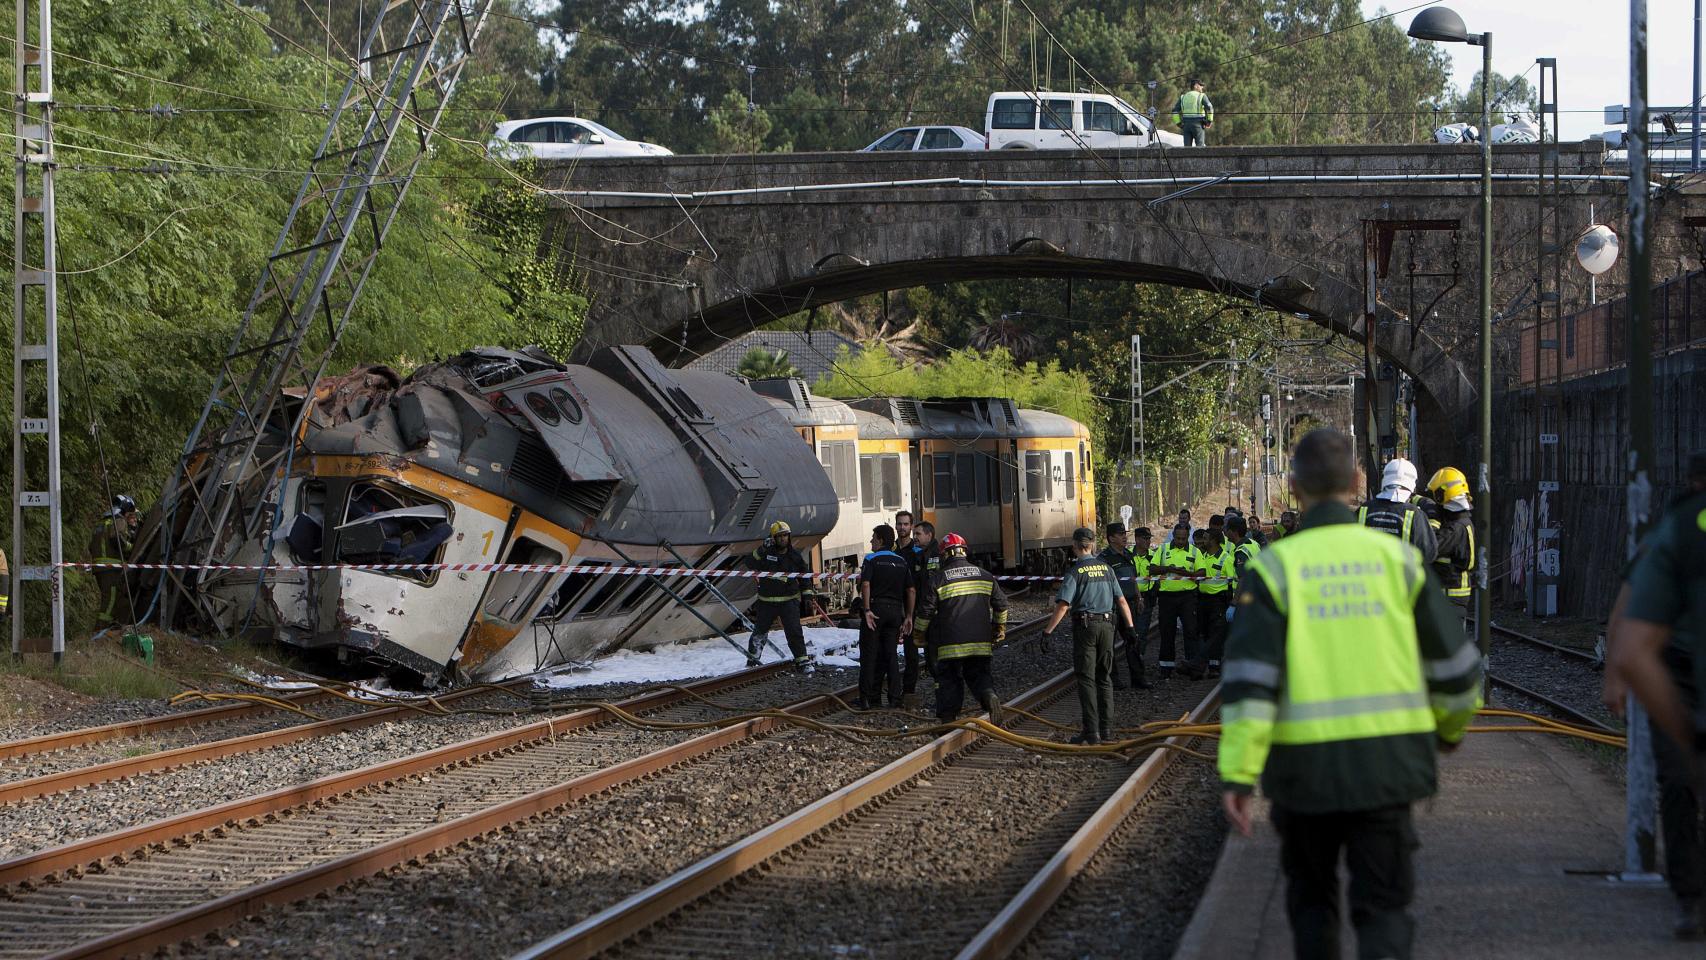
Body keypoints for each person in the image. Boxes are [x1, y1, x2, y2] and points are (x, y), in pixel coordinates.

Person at [1220, 428, 1481, 960]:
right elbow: (1457, 671)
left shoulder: (1274, 570)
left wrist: (1239, 773)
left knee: (1313, 906)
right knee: (1383, 909)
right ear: (1358, 482)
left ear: (1293, 489)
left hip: (1303, 774)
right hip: (1388, 767)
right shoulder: (1401, 565)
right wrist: (1449, 732)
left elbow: (1249, 685)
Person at [1605, 452, 1706, 938]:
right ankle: (1690, 897)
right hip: (1678, 674)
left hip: (1674, 675)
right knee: (1680, 784)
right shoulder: (1673, 534)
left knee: (1681, 786)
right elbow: (1629, 602)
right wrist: (1617, 673)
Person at [1041, 527, 1137, 744]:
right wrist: (1130, 629)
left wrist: (1048, 632)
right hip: (1108, 626)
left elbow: (1063, 605)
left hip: (1086, 628)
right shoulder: (1107, 569)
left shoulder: (1076, 572)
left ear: (1075, 546)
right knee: (1105, 678)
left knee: (1086, 679)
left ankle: (1091, 731)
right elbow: (1121, 601)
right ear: (1092, 545)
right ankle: (1107, 731)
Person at [913, 533, 1009, 724]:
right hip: (980, 643)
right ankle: (989, 696)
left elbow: (925, 612)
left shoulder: (938, 579)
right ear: (964, 552)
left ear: (945, 555)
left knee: (949, 680)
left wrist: (918, 635)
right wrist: (998, 627)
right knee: (979, 676)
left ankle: (948, 718)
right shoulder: (985, 575)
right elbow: (1002, 604)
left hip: (950, 645)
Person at [745, 520, 820, 670]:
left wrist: (807, 597)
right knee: (759, 634)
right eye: (779, 536)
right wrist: (760, 550)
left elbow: (805, 576)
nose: (782, 539)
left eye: (785, 535)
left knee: (794, 632)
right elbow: (749, 563)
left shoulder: (795, 556)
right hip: (766, 602)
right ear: (772, 538)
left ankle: (802, 661)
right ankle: (752, 664)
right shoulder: (765, 554)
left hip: (789, 602)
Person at [857, 524, 913, 709]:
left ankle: (867, 698)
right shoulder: (901, 561)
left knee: (869, 655)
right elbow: (911, 590)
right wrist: (909, 616)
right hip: (895, 611)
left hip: (875, 610)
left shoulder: (871, 559)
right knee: (890, 655)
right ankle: (895, 698)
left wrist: (866, 610)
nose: (871, 541)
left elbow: (865, 584)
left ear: (881, 540)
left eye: (873, 538)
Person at [1099, 522, 1151, 689]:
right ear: (1111, 538)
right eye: (1120, 534)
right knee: (1109, 645)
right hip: (1112, 606)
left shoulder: (1128, 555)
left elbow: (1133, 578)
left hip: (1129, 604)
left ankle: (1138, 678)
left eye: (1124, 533)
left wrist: (1139, 597)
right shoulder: (1104, 558)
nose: (1124, 536)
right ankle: (1114, 680)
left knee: (1133, 640)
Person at [1423, 467, 1476, 626]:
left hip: (1450, 601)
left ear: (1441, 496)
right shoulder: (1460, 523)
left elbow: (1429, 548)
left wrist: (1432, 520)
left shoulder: (1455, 530)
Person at [1359, 459, 1438, 564]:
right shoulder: (1414, 514)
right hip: (1400, 579)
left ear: (1385, 479)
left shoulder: (1363, 510)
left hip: (1367, 577)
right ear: (1412, 483)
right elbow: (1429, 553)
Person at [1152, 521, 1201, 680]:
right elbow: (1152, 569)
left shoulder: (1194, 551)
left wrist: (1186, 573)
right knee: (1167, 632)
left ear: (1188, 537)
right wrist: (1169, 569)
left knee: (1191, 631)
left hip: (1187, 596)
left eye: (1183, 538)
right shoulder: (1163, 549)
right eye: (1178, 538)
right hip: (1167, 597)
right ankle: (1166, 667)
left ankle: (1191, 665)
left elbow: (1202, 572)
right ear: (1173, 536)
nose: (1180, 541)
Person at [902, 520, 942, 708]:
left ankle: (942, 694)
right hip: (922, 612)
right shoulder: (921, 555)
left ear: (929, 535)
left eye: (918, 534)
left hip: (934, 615)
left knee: (934, 655)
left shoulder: (937, 554)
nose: (915, 537)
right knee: (926, 654)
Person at [90, 493, 140, 626]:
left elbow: (92, 545)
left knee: (108, 598)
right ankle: (101, 629)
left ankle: (106, 627)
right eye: (129, 512)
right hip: (110, 568)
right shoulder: (119, 520)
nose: (130, 515)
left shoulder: (102, 522)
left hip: (99, 567)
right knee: (111, 600)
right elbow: (115, 538)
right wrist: (130, 547)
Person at [1170, 78, 1215, 146]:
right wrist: (1209, 121)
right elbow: (1210, 108)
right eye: (1201, 85)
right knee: (1200, 147)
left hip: (1186, 125)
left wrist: (1179, 123)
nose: (1202, 87)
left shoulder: (1183, 97)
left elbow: (1174, 111)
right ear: (1196, 86)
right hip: (1198, 124)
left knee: (1187, 147)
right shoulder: (1201, 95)